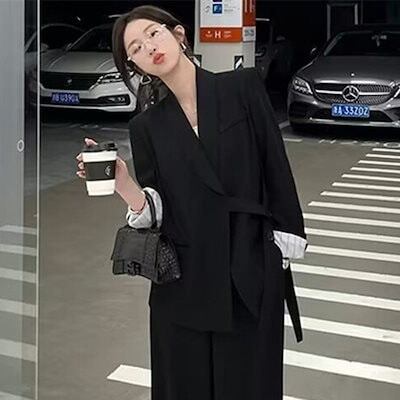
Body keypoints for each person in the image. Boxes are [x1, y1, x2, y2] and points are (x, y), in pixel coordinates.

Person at [76, 4, 308, 399]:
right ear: (134, 65)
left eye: (153, 34)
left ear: (178, 34)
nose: (149, 47)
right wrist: (124, 183)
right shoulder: (146, 126)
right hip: (183, 280)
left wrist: (278, 252)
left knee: (249, 386)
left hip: (249, 267)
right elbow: (157, 209)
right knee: (184, 386)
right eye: (136, 48)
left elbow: (275, 166)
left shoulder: (241, 87)